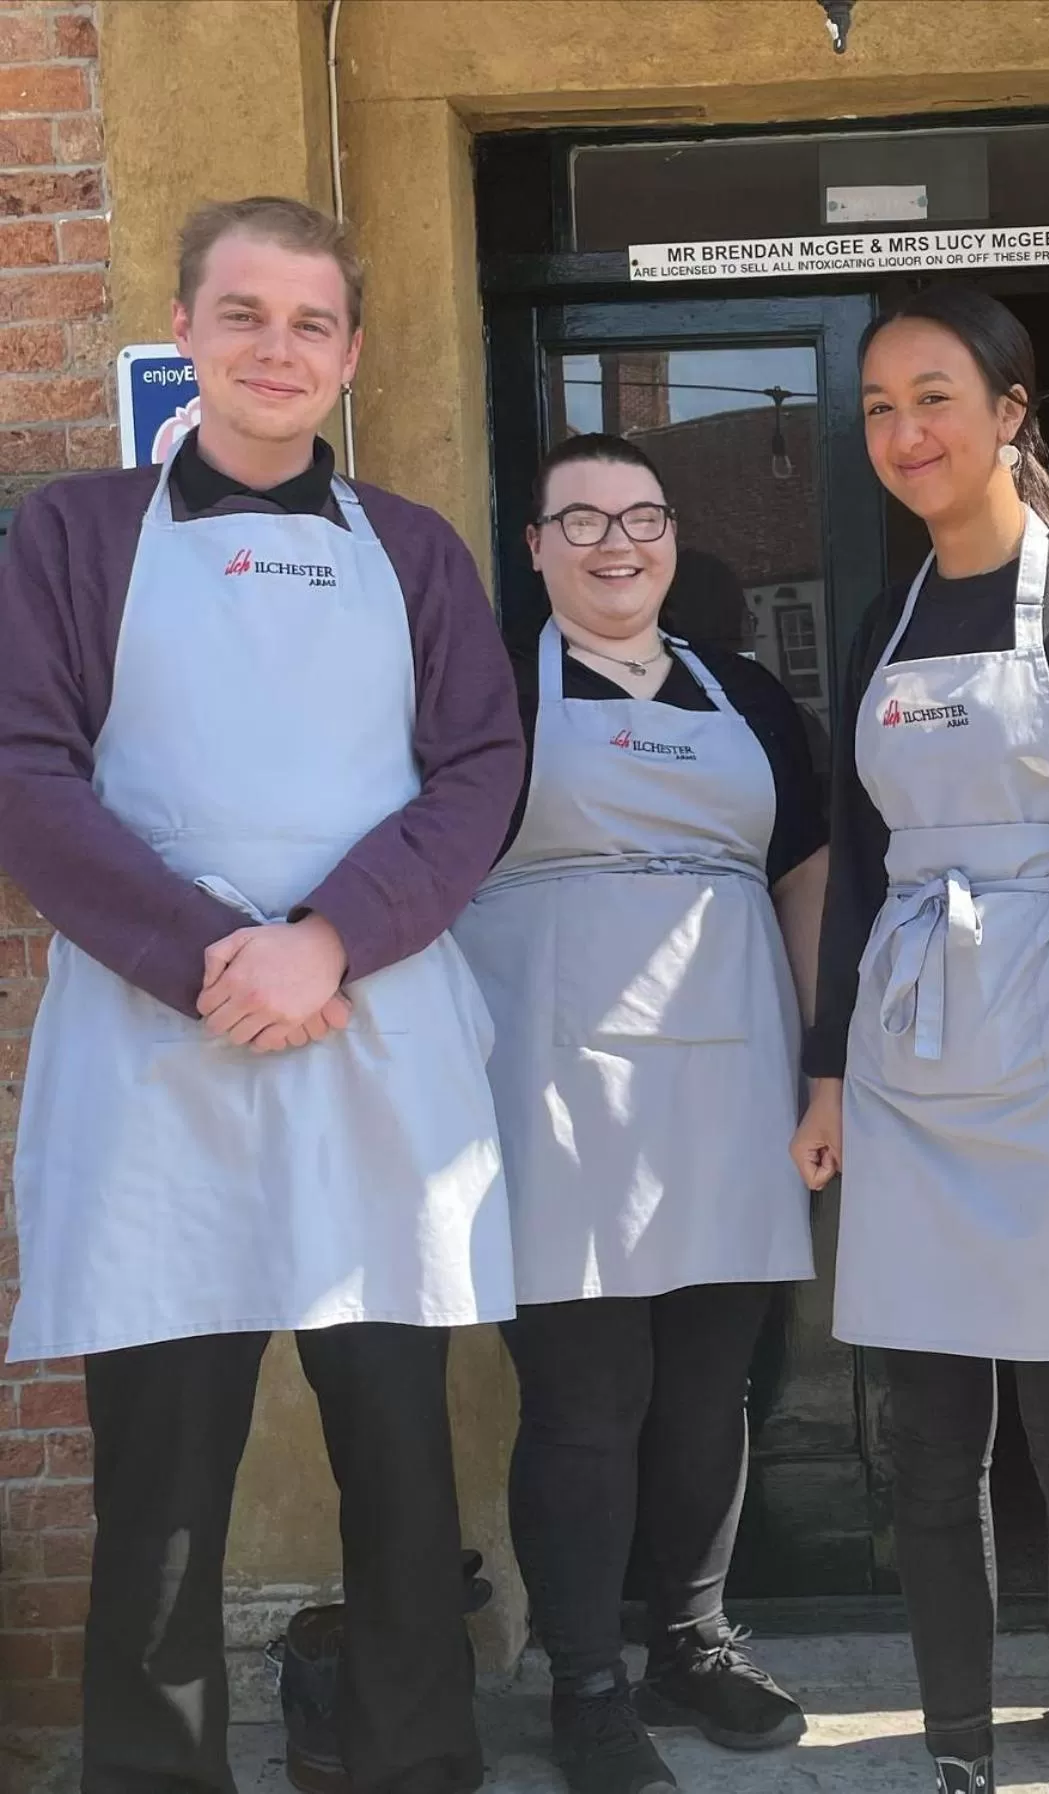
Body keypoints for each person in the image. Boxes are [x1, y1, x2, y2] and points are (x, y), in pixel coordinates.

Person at [0, 197, 524, 1794]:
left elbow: (481, 772)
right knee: (160, 1482)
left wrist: (329, 940)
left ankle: (412, 1766)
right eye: (244, 315)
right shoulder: (75, 537)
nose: (276, 349)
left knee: (398, 1463)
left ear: (351, 354)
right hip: (154, 1044)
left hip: (373, 1027)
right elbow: (22, 768)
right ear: (185, 331)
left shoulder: (418, 551)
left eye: (310, 323)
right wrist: (204, 954)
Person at [790, 286, 1049, 1794]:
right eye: (881, 407)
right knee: (930, 1441)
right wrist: (829, 1065)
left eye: (935, 397)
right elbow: (857, 856)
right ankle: (961, 1750)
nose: (905, 431)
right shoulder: (884, 619)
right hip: (909, 1059)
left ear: (1012, 413)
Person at [451, 433, 828, 1794]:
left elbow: (803, 876)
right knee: (586, 1394)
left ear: (674, 538)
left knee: (712, 1387)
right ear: (537, 545)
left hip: (730, 1072)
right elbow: (422, 871)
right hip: (550, 1079)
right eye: (584, 520)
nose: (620, 543)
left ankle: (690, 1637)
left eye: (645, 517)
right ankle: (585, 1680)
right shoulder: (488, 688)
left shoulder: (749, 694)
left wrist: (820, 1065)